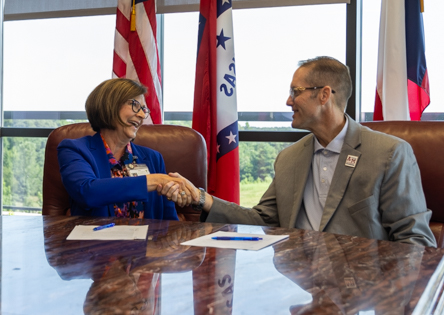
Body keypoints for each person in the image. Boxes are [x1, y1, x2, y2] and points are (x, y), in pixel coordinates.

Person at [169, 56, 436, 247]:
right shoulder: (289, 158)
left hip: (361, 294)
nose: (288, 101)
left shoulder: (389, 154)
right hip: (297, 286)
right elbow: (262, 219)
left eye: (295, 91)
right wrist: (202, 198)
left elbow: (415, 241)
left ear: (324, 95)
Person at [57, 78, 191, 219]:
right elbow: (87, 193)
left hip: (148, 240)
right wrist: (156, 180)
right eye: (135, 105)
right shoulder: (74, 149)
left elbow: (169, 220)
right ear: (110, 104)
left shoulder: (153, 158)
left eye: (144, 109)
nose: (141, 115)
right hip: (96, 240)